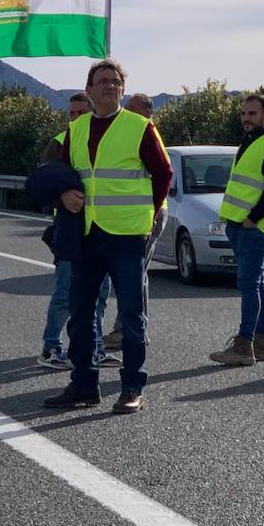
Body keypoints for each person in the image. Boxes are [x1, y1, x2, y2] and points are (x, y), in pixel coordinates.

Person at [43, 59, 171, 414]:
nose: (110, 86)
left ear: (122, 89)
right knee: (82, 313)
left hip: (126, 234)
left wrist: (147, 213)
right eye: (103, 81)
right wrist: (64, 195)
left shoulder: (140, 127)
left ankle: (132, 387)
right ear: (89, 89)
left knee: (130, 315)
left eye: (116, 81)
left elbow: (163, 173)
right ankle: (83, 385)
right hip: (87, 233)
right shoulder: (78, 128)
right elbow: (63, 173)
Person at [209, 94, 264, 366]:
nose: (246, 118)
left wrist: (253, 219)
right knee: (257, 282)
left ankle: (244, 345)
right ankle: (261, 342)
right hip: (239, 224)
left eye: (252, 114)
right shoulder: (250, 142)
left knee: (249, 284)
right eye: (244, 113)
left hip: (254, 227)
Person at [37, 91, 111, 369]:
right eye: (71, 113)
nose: (75, 118)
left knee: (101, 293)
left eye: (81, 112)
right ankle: (50, 347)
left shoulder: (105, 141)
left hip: (103, 228)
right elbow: (42, 184)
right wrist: (62, 197)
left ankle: (95, 348)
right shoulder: (59, 143)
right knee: (66, 293)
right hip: (70, 231)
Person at [102, 92, 162, 352]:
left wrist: (154, 211)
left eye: (132, 108)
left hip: (146, 215)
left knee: (135, 276)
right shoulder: (130, 133)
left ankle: (131, 329)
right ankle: (128, 328)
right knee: (135, 276)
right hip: (136, 214)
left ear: (147, 112)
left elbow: (162, 174)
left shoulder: (147, 133)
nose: (126, 112)